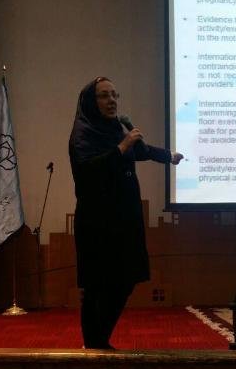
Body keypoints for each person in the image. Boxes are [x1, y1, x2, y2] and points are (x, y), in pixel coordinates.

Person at [68, 77, 183, 349]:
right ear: (90, 102)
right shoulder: (83, 134)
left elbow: (140, 151)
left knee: (126, 279)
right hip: (98, 222)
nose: (112, 101)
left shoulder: (115, 129)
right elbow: (87, 172)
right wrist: (121, 147)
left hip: (125, 220)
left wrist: (168, 155)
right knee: (97, 285)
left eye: (114, 95)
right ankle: (94, 344)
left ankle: (98, 341)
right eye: (104, 96)